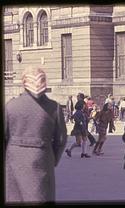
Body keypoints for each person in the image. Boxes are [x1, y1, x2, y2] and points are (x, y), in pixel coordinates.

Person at [5, 66, 67, 203]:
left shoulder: (10, 106)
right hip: (42, 159)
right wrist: (52, 158)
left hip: (14, 161)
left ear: (24, 83)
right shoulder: (53, 107)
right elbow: (61, 139)